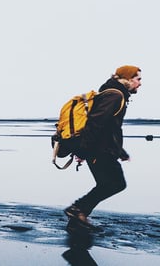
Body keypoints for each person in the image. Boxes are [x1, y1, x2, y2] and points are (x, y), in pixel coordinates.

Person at [64, 65, 142, 231]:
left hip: (101, 149)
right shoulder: (115, 95)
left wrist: (120, 152)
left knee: (105, 184)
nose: (140, 83)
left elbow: (110, 128)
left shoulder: (113, 94)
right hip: (99, 151)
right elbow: (95, 123)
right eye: (138, 79)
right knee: (116, 183)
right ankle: (77, 210)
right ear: (127, 79)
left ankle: (76, 221)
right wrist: (84, 150)